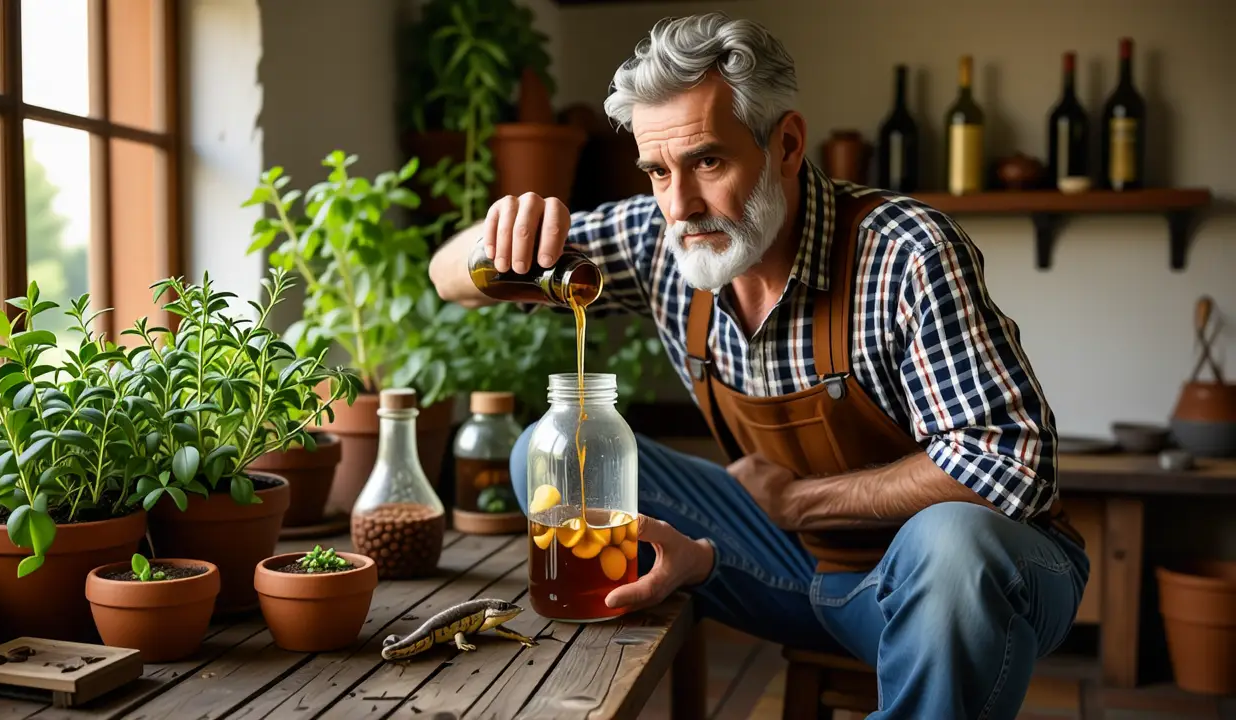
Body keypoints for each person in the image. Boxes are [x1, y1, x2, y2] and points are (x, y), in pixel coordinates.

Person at [428, 12, 1089, 719]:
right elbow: (446, 278)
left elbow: (1010, 465)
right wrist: (501, 233)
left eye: (708, 161)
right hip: (801, 565)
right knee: (551, 453)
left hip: (975, 578)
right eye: (657, 170)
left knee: (953, 542)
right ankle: (712, 568)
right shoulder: (660, 237)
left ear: (788, 143)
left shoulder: (906, 252)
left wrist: (799, 501)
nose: (679, 205)